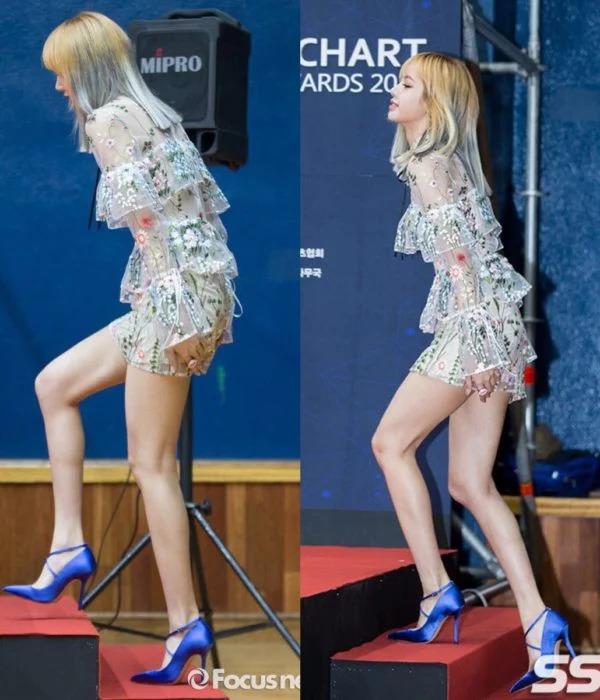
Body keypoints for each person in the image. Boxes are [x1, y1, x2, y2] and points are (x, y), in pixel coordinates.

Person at [2, 11, 242, 685]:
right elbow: (192, 223)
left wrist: (183, 316)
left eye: (62, 73)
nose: (58, 86)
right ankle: (67, 547)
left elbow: (156, 230)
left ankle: (184, 623)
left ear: (87, 69)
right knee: (54, 385)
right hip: (178, 294)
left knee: (152, 465)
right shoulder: (154, 115)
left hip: (173, 300)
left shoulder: (110, 123)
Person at [372, 51, 575, 694]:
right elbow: (479, 259)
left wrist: (482, 350)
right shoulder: (447, 162)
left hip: (475, 330)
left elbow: (463, 263)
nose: (393, 90)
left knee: (390, 444)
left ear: (433, 102)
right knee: (469, 483)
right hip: (492, 327)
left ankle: (436, 590)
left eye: (406, 83)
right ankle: (539, 621)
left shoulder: (430, 166)